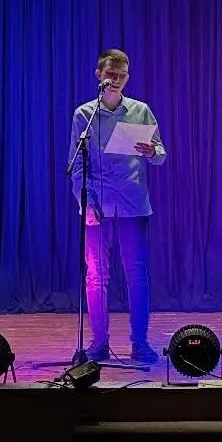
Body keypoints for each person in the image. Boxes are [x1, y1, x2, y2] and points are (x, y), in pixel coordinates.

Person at [70, 48, 166, 364]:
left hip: (132, 204)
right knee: (96, 276)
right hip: (97, 205)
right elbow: (77, 166)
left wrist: (151, 151)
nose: (116, 80)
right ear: (99, 75)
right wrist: (86, 202)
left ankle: (140, 343)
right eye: (111, 74)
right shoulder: (84, 115)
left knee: (136, 274)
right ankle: (99, 342)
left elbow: (161, 155)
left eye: (121, 75)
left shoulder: (141, 111)